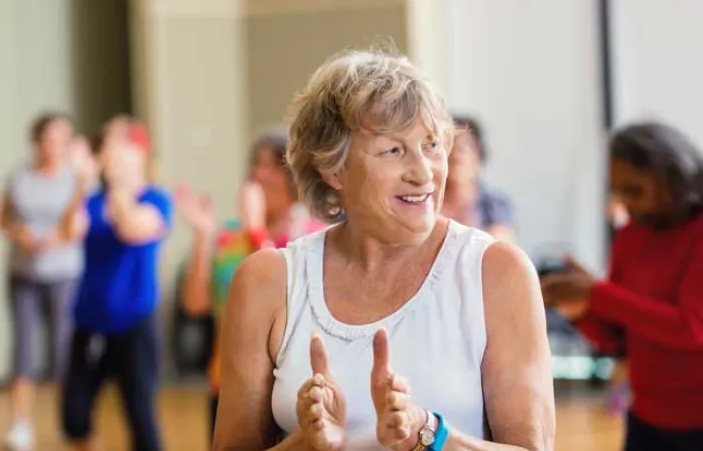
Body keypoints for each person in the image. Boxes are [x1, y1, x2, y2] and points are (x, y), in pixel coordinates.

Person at [212, 48, 555, 450]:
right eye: (394, 150)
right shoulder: (267, 282)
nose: (423, 172)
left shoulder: (497, 272)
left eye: (431, 145)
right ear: (333, 168)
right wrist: (305, 443)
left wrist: (429, 434)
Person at [542, 121, 703, 451]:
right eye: (618, 190)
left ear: (674, 180)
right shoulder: (630, 236)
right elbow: (616, 338)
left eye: (635, 190)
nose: (625, 202)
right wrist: (578, 309)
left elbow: (691, 327)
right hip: (646, 416)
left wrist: (596, 293)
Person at [174, 128, 327, 440]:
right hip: (227, 379)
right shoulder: (229, 235)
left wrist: (256, 230)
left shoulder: (311, 234)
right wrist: (203, 238)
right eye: (256, 164)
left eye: (272, 165)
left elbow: (292, 299)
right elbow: (195, 305)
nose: (260, 173)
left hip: (290, 384)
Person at [60, 118, 172, 451]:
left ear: (138, 152)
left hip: (135, 321)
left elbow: (130, 227)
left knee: (140, 417)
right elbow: (69, 231)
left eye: (116, 143)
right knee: (74, 415)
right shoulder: (93, 200)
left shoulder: (156, 199)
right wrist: (80, 182)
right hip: (90, 320)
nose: (107, 150)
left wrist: (119, 181)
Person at [0, 112, 84, 451]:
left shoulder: (76, 179)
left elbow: (78, 226)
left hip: (64, 275)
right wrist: (20, 233)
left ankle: (71, 421)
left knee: (64, 350)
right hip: (24, 276)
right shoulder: (19, 177)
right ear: (37, 140)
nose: (54, 145)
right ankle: (20, 424)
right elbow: (3, 217)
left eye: (62, 138)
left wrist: (55, 239)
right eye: (49, 138)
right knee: (24, 348)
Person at [440, 115, 515, 241]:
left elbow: (499, 245)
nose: (456, 155)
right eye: (449, 147)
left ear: (478, 156)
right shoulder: (427, 199)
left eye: (463, 148)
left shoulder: (493, 203)